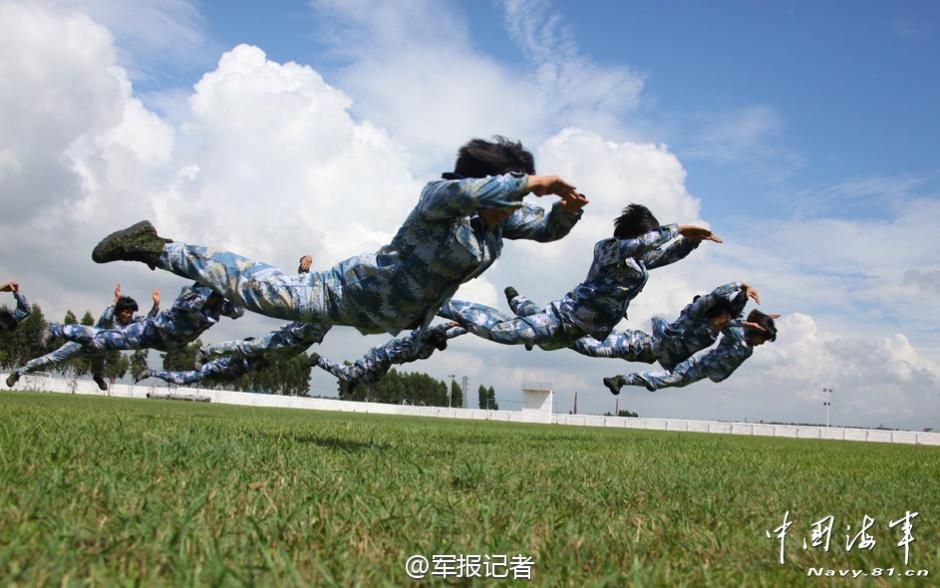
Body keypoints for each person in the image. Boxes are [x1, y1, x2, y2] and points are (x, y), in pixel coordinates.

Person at [89, 137, 587, 343]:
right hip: (341, 293)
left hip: (381, 317)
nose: (512, 211)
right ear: (487, 186)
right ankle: (154, 246)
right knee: (250, 287)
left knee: (281, 340)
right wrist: (529, 182)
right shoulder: (440, 201)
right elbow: (469, 192)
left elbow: (545, 230)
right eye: (509, 196)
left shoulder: (496, 222)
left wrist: (566, 213)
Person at [438, 204, 721, 350]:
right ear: (633, 235)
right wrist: (679, 228)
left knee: (542, 342)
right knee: (503, 333)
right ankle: (438, 302)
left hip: (575, 333)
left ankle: (519, 302)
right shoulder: (608, 249)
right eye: (646, 237)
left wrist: (692, 241)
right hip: (561, 320)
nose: (650, 245)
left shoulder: (638, 263)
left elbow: (668, 255)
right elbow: (646, 243)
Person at [505, 281, 758, 370]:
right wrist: (739, 284)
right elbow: (714, 297)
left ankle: (532, 331)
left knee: (565, 338)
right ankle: (521, 305)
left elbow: (733, 314)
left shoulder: (716, 328)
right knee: (573, 340)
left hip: (642, 352)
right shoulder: (694, 318)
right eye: (724, 319)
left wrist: (745, 298)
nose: (728, 323)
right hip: (635, 345)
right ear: (714, 315)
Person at [6, 284, 159, 390]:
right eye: (125, 311)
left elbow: (147, 321)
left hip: (100, 349)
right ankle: (19, 372)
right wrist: (115, 299)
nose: (128, 315)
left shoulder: (131, 322)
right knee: (52, 359)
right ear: (119, 311)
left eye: (130, 313)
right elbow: (107, 314)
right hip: (82, 343)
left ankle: (98, 377)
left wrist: (156, 305)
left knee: (100, 363)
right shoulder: (109, 318)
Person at [602, 310, 779, 394]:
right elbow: (726, 322)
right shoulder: (738, 336)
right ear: (755, 332)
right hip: (695, 365)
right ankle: (623, 380)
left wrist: (764, 320)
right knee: (673, 379)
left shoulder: (748, 349)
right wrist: (750, 323)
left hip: (703, 373)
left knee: (673, 381)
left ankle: (651, 380)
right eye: (762, 339)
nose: (762, 343)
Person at [41, 283, 243, 352]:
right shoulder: (193, 292)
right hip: (151, 331)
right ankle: (55, 329)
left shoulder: (219, 304)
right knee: (101, 339)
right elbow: (190, 307)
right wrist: (219, 293)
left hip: (171, 343)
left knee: (100, 344)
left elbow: (237, 312)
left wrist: (237, 296)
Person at [310, 321, 466, 391]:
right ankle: (318, 359)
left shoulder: (433, 343)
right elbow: (436, 329)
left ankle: (354, 380)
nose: (434, 348)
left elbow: (454, 334)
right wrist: (450, 324)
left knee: (372, 379)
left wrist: (467, 327)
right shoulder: (420, 335)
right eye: (435, 345)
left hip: (387, 361)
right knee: (349, 374)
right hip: (380, 354)